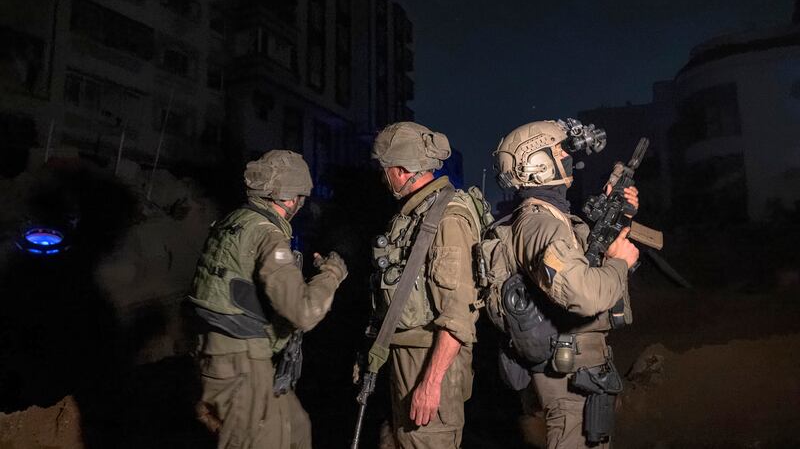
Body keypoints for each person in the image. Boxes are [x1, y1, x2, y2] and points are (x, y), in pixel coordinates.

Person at [493, 120, 640, 449]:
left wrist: (618, 216)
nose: (565, 155)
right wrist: (620, 261)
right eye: (557, 150)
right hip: (567, 381)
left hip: (582, 374)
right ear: (537, 164)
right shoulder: (539, 223)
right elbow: (586, 293)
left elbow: (585, 267)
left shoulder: (555, 216)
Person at [188, 150, 348, 449]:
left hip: (226, 353)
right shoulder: (268, 235)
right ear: (290, 199)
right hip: (241, 364)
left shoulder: (235, 220)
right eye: (300, 198)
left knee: (297, 428)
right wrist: (331, 274)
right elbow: (304, 312)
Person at [370, 122, 485, 448]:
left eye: (387, 169)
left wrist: (430, 383)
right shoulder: (414, 215)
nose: (383, 176)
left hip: (430, 366)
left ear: (404, 170)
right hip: (407, 361)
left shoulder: (446, 218)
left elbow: (457, 314)